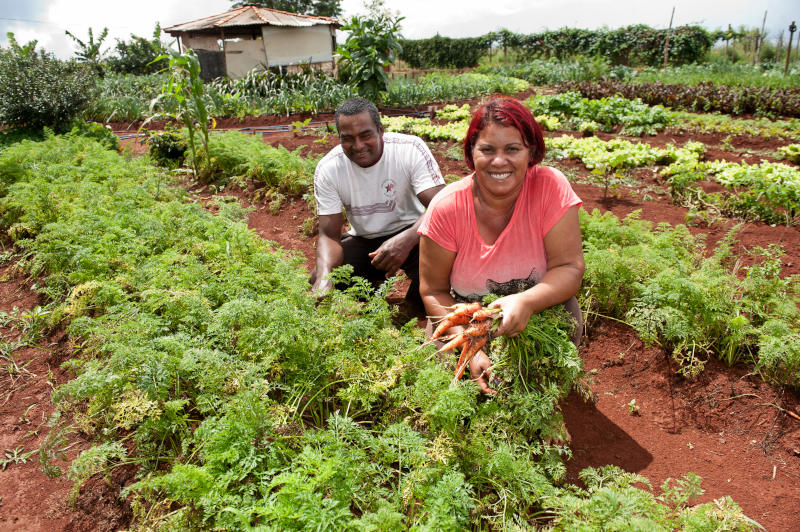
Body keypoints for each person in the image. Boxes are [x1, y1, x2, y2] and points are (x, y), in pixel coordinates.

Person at [418, 97, 585, 395]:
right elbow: (433, 291)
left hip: (537, 311)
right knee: (451, 387)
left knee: (539, 380)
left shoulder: (550, 188)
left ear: (530, 152)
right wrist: (469, 343)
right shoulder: (446, 208)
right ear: (471, 153)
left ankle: (545, 400)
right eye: (487, 149)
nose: (499, 161)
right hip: (467, 321)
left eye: (512, 149)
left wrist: (527, 302)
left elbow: (568, 267)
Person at [310, 97, 445, 305]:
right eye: (348, 138)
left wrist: (407, 239)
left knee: (441, 261)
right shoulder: (329, 168)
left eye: (366, 135)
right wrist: (324, 278)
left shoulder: (408, 149)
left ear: (380, 130)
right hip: (367, 240)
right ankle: (373, 294)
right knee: (329, 276)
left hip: (417, 233)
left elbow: (442, 205)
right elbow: (329, 236)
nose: (358, 146)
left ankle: (416, 304)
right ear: (338, 138)